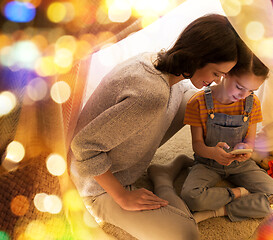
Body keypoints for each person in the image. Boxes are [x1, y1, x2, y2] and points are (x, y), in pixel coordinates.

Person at [69, 14, 245, 240]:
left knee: (193, 101)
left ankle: (161, 174)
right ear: (198, 56)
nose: (218, 81)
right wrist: (122, 196)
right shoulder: (150, 94)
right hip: (96, 186)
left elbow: (196, 99)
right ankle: (163, 179)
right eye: (216, 74)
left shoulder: (156, 61)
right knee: (186, 233)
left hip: (121, 156)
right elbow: (83, 147)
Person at [180, 50, 273, 223]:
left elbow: (250, 140)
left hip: (240, 165)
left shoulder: (252, 103)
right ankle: (239, 193)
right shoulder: (197, 102)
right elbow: (197, 144)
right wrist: (212, 153)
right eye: (240, 87)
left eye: (252, 90)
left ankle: (220, 211)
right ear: (225, 74)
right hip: (208, 163)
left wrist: (245, 150)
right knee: (190, 196)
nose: (243, 95)